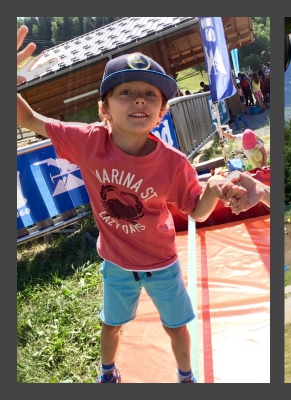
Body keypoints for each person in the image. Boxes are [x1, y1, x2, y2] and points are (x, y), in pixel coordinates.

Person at [16, 28, 267, 383]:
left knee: (177, 328)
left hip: (163, 264)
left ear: (162, 111)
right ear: (104, 109)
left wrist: (212, 187)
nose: (139, 101)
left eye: (150, 94)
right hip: (117, 264)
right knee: (110, 326)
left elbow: (196, 210)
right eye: (126, 92)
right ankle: (107, 373)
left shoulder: (173, 163)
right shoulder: (87, 142)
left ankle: (185, 377)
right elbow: (27, 120)